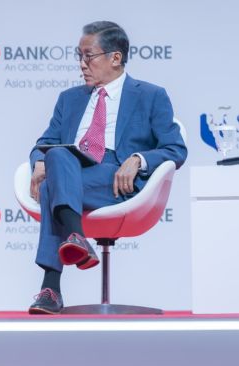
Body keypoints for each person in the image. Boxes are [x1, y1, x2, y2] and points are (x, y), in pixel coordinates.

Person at [26, 21, 187, 314]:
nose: (82, 64)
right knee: (57, 158)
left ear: (115, 57)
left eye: (89, 56)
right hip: (72, 172)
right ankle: (76, 238)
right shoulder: (70, 99)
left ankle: (51, 286)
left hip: (115, 179)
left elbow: (175, 149)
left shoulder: (150, 95)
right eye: (79, 56)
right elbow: (45, 142)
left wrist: (139, 158)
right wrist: (39, 161)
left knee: (53, 184)